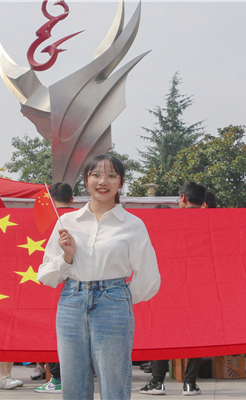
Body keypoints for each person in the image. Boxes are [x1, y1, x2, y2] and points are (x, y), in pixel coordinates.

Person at [38, 154, 161, 400]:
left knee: (114, 381)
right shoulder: (67, 221)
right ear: (86, 180)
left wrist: (118, 297)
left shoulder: (132, 224)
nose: (102, 181)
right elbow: (46, 275)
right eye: (96, 175)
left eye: (111, 175)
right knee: (73, 382)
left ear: (121, 182)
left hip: (113, 304)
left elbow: (148, 277)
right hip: (71, 302)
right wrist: (67, 256)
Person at [140, 182, 207, 397]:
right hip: (199, 287)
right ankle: (189, 384)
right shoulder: (209, 221)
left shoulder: (170, 221)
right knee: (196, 335)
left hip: (169, 286)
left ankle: (157, 382)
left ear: (183, 198)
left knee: (163, 333)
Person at [34, 182, 74, 395]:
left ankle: (57, 378)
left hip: (49, 285)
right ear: (72, 199)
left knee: (51, 333)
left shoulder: (49, 220)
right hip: (72, 285)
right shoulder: (80, 220)